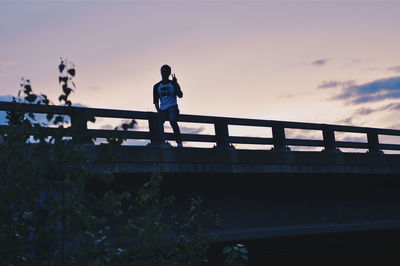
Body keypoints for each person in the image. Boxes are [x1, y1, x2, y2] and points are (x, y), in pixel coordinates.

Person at [153, 64, 183, 147]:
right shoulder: (156, 86)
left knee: (172, 120)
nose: (164, 73)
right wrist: (158, 111)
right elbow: (156, 101)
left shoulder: (173, 84)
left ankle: (179, 142)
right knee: (158, 124)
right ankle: (159, 142)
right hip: (163, 108)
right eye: (162, 72)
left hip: (172, 106)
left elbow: (180, 95)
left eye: (166, 72)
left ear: (169, 73)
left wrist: (176, 83)